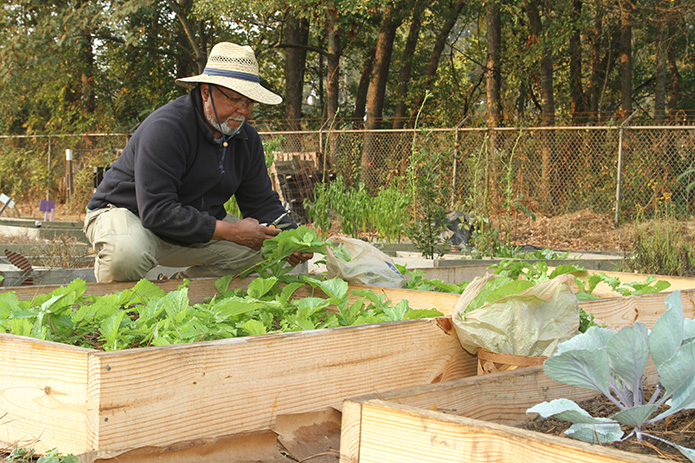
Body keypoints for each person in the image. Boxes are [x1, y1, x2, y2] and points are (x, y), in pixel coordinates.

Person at [84, 42, 312, 282]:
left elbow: (261, 203)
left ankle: (182, 295)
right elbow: (156, 211)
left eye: (249, 103)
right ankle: (121, 309)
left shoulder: (246, 139)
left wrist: (292, 239)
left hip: (189, 228)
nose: (242, 111)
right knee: (126, 253)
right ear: (206, 91)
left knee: (268, 251)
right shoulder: (167, 129)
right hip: (130, 216)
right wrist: (232, 231)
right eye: (235, 99)